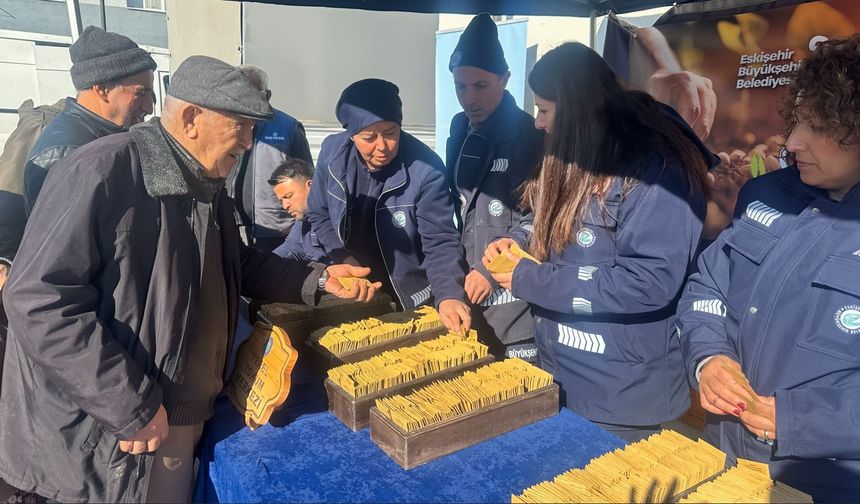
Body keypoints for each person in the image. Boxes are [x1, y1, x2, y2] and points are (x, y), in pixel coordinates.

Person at [0, 55, 379, 504]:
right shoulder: (102, 170)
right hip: (112, 433)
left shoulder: (204, 184)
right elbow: (38, 299)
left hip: (172, 415)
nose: (250, 139)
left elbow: (238, 263)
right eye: (240, 123)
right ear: (191, 118)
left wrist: (318, 281)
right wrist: (128, 403)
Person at [483, 42, 711, 442]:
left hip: (619, 393)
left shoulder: (657, 170)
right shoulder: (573, 154)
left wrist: (530, 280)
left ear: (577, 111)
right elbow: (542, 219)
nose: (537, 122)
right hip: (557, 371)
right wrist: (514, 244)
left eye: (545, 110)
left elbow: (648, 281)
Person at [676, 35, 860, 502]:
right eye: (797, 121)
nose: (794, 141)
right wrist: (709, 357)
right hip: (723, 460)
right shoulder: (766, 195)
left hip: (825, 484)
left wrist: (800, 420)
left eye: (818, 127)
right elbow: (707, 286)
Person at [305, 78, 471, 334]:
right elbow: (319, 213)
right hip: (352, 286)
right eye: (369, 137)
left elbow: (440, 241)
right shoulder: (332, 154)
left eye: (391, 133)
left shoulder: (426, 170)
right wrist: (342, 256)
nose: (382, 146)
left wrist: (449, 294)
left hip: (407, 294)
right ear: (351, 135)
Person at [446, 13, 544, 361]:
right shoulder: (458, 131)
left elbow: (542, 218)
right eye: (460, 86)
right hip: (468, 299)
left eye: (480, 86)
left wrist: (492, 269)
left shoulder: (533, 136)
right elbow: (454, 209)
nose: (469, 98)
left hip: (517, 312)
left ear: (505, 78)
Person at [22, 25, 156, 215]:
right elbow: (63, 241)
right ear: (102, 89)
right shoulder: (65, 154)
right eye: (141, 93)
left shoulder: (110, 133)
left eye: (152, 95)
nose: (149, 108)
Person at [228, 64, 315, 251]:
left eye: (248, 95)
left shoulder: (288, 127)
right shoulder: (227, 123)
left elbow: (306, 176)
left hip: (278, 230)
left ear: (266, 96)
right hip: (233, 224)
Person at [270, 157, 315, 261]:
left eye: (288, 196)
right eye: (281, 201)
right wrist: (266, 265)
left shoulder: (338, 216)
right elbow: (292, 248)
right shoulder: (303, 220)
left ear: (310, 186)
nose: (285, 206)